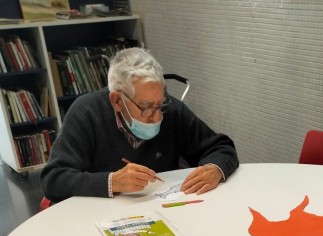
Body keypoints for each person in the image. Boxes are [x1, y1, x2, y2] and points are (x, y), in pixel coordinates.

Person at [40, 47, 239, 202]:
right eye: (146, 107)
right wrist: (112, 182)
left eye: (160, 104)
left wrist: (215, 169)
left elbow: (221, 147)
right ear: (117, 101)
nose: (157, 117)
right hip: (101, 217)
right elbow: (54, 179)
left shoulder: (170, 110)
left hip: (162, 208)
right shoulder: (86, 113)